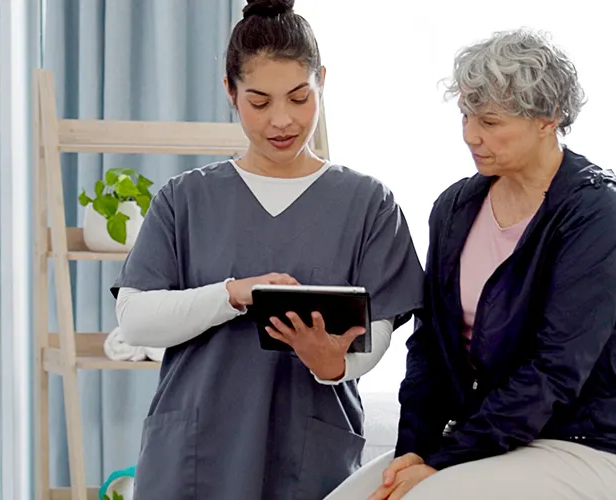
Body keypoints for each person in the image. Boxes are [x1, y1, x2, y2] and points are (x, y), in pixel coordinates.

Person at [109, 1, 426, 498]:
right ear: (230, 93)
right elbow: (136, 319)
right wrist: (235, 294)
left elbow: (378, 327)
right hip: (196, 454)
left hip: (309, 450)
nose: (282, 120)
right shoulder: (184, 200)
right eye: (259, 102)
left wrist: (334, 365)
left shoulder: (367, 203)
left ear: (322, 81)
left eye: (299, 98)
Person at [345, 29, 616, 500]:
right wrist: (413, 452)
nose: (471, 134)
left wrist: (442, 463)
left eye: (491, 121)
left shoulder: (598, 213)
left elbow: (555, 370)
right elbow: (431, 347)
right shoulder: (455, 208)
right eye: (466, 115)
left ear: (548, 119)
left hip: (596, 443)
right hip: (494, 441)